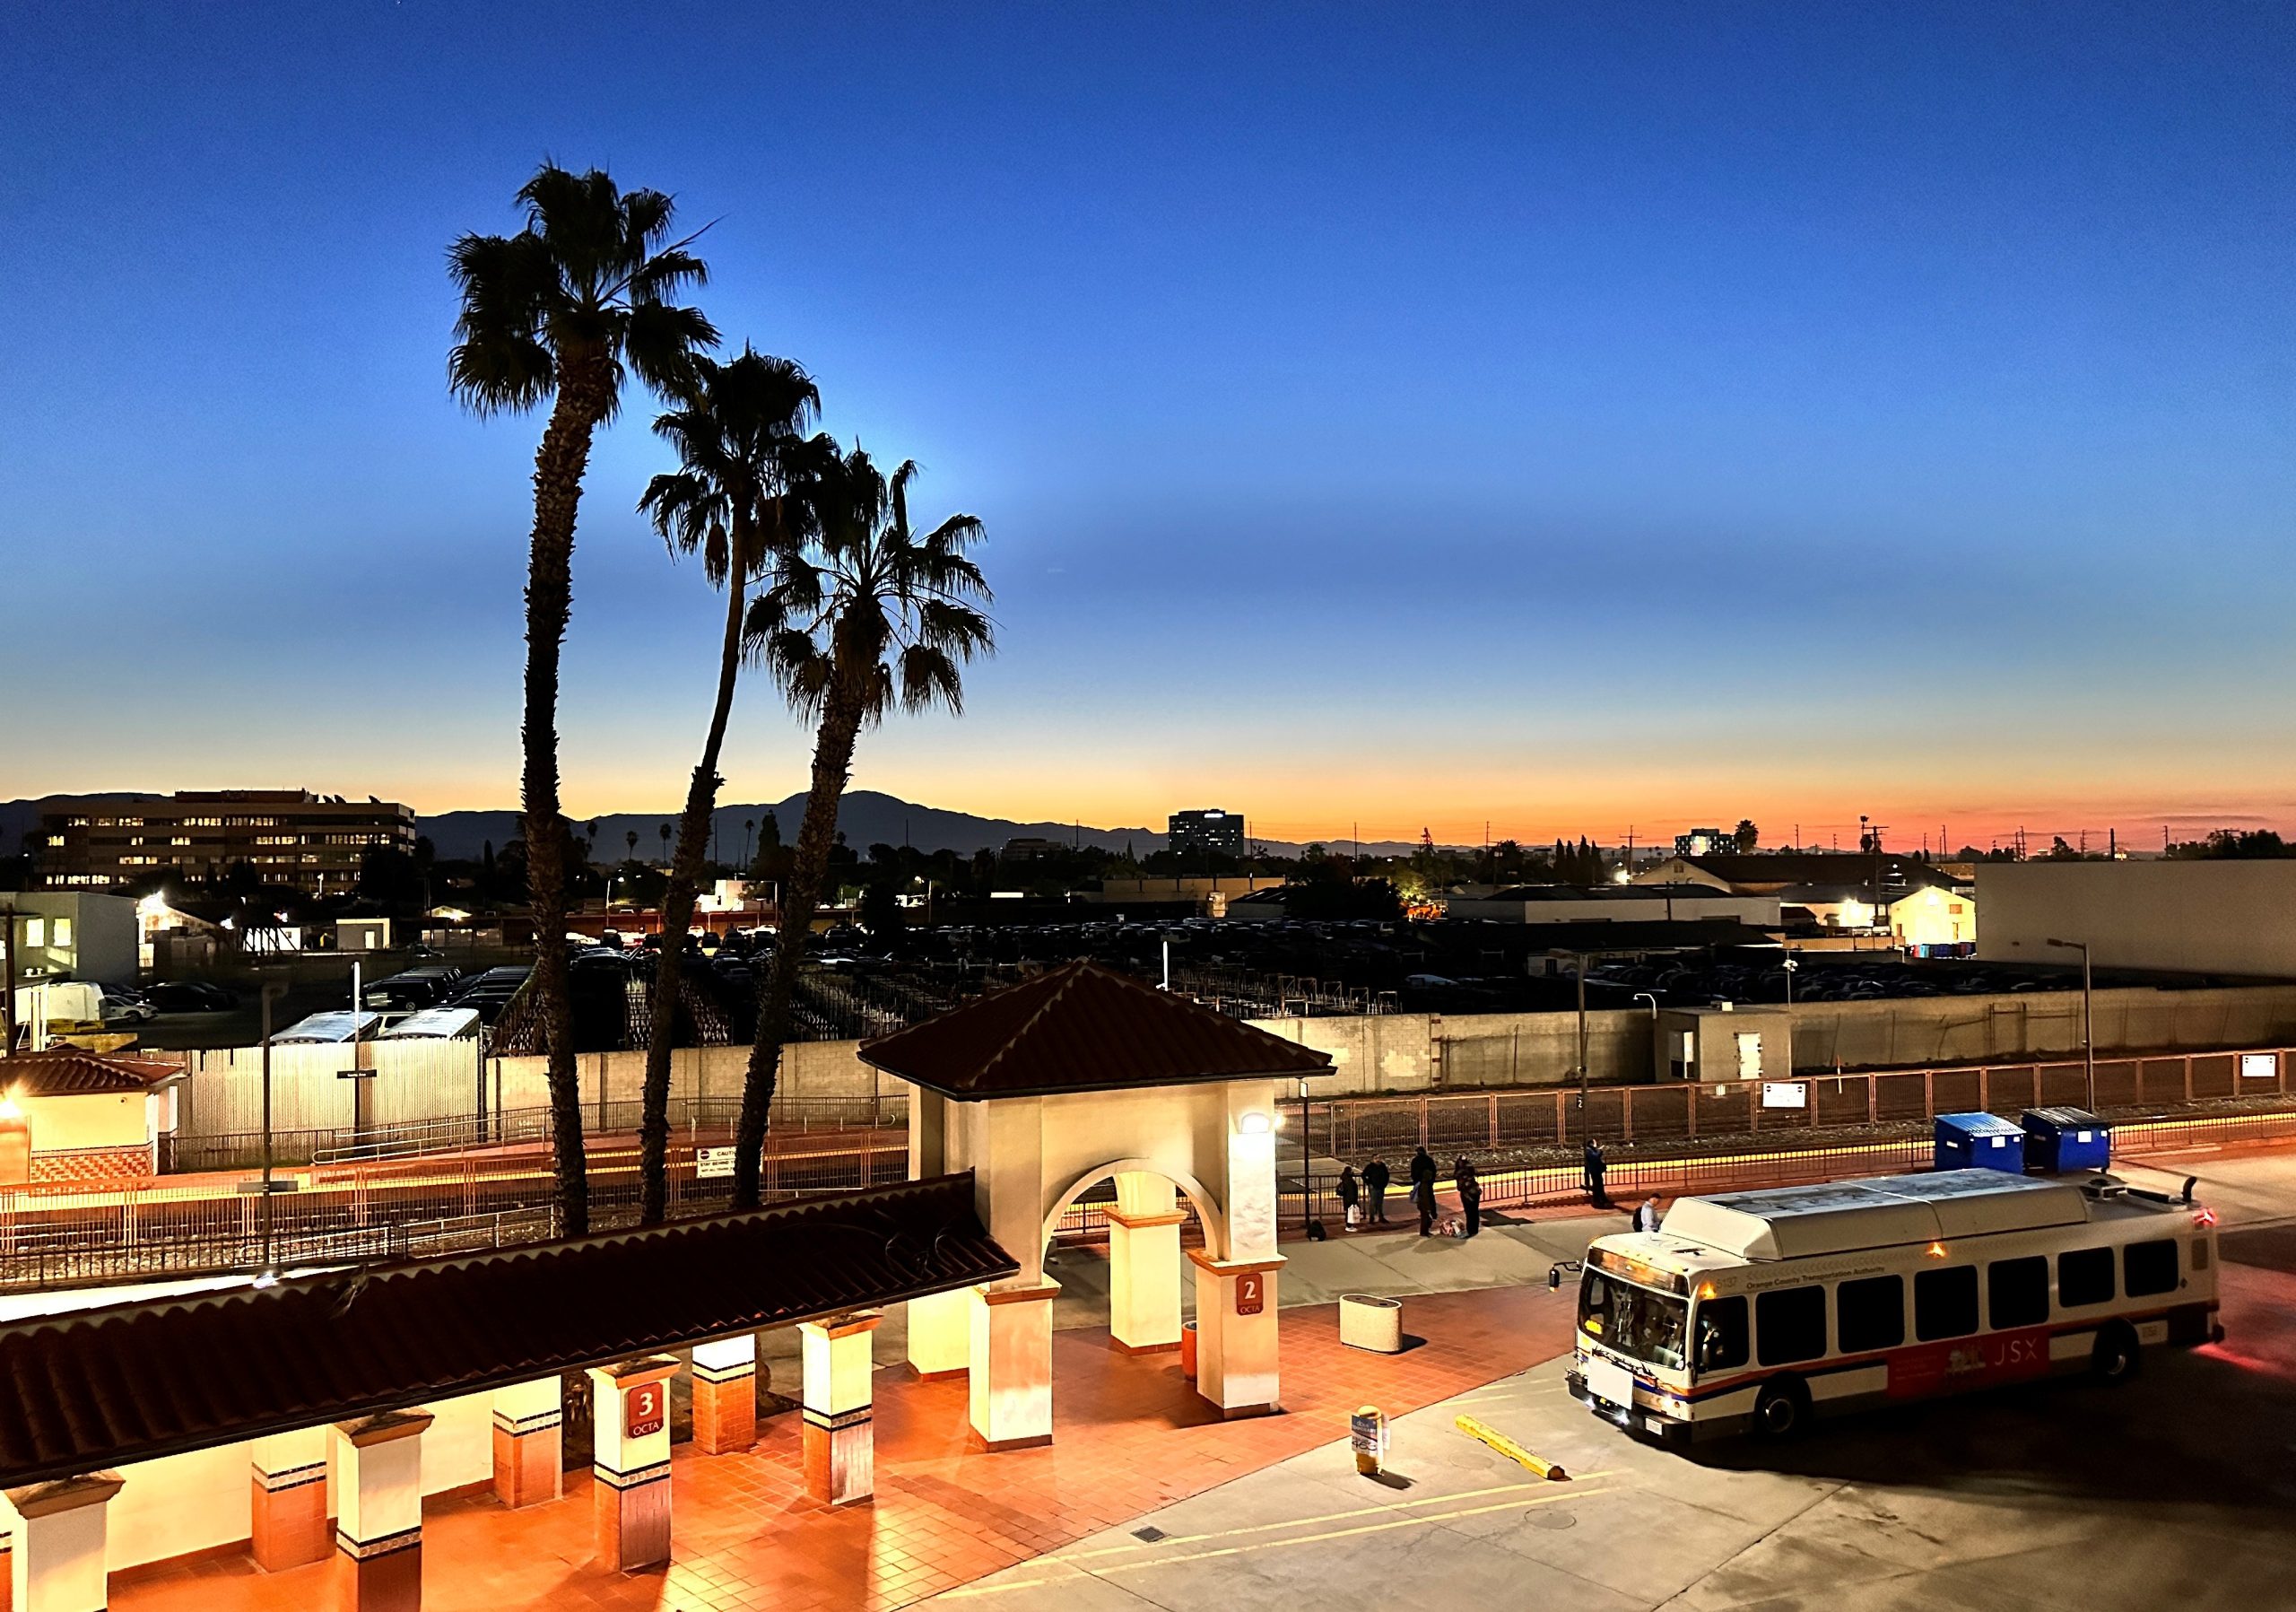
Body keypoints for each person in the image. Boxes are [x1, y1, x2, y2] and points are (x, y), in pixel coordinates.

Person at [1456, 1156, 1483, 1238]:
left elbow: (1460, 1186)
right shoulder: (1470, 1167)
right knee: (1475, 1211)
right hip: (1475, 1192)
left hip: (1467, 1194)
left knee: (1469, 1213)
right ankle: (1475, 1229)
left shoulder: (1460, 1172)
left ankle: (1470, 1230)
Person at [1362, 1156, 1391, 1224]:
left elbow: (1387, 1175)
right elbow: (1363, 1175)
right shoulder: (1370, 1167)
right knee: (1373, 1203)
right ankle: (1371, 1218)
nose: (1378, 1159)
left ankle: (1381, 1217)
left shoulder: (1382, 1166)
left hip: (1381, 1187)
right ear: (1372, 1160)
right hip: (1374, 1187)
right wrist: (1369, 1183)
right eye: (1376, 1158)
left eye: (1378, 1158)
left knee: (1380, 1203)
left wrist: (1385, 1183)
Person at [1583, 1138, 1609, 1208]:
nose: (1596, 1144)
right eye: (1594, 1143)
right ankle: (1598, 1200)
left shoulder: (1591, 1150)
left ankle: (1601, 1199)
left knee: (1599, 1185)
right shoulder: (1589, 1150)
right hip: (1594, 1170)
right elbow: (1595, 1157)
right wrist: (1600, 1150)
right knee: (1597, 1185)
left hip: (1596, 1170)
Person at [1413, 1173, 1439, 1237]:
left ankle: (1425, 1232)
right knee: (1426, 1219)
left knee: (1425, 1218)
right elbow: (1426, 1197)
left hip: (1422, 1204)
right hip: (1424, 1205)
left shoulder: (1422, 1184)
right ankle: (1424, 1232)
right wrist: (1428, 1207)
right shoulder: (1425, 1185)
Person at [1336, 1164, 1361, 1229]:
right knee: (1350, 1212)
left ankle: (1349, 1225)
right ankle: (1349, 1225)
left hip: (1347, 1198)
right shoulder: (1349, 1181)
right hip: (1350, 1199)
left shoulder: (1345, 1179)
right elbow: (1351, 1191)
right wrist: (1354, 1200)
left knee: (1349, 1211)